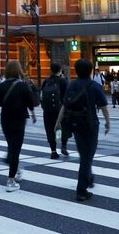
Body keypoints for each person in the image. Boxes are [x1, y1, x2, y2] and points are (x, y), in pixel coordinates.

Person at [55, 58, 110, 202]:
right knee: (87, 157)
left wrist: (58, 122)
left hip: (76, 124)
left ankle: (89, 177)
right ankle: (81, 190)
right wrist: (108, 123)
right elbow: (104, 107)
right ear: (91, 71)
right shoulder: (95, 86)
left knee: (84, 155)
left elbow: (64, 105)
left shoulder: (72, 85)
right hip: (91, 125)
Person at [0, 61, 37, 192]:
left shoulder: (1, 86)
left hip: (5, 119)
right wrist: (33, 115)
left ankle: (16, 168)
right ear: (18, 71)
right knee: (15, 148)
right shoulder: (22, 86)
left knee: (12, 145)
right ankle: (11, 180)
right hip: (19, 119)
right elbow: (30, 102)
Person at [41, 62, 68, 159]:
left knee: (49, 129)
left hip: (47, 111)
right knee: (61, 128)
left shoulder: (46, 81)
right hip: (60, 110)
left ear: (51, 70)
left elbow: (41, 96)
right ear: (60, 70)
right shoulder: (63, 81)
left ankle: (53, 151)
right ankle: (63, 145)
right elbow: (67, 96)